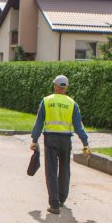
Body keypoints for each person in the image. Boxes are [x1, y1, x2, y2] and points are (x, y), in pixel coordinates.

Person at [30, 75, 91, 214]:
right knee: (65, 169)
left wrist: (34, 140)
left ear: (55, 86)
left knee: (51, 171)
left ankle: (54, 204)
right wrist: (85, 143)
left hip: (50, 139)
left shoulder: (46, 101)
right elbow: (78, 126)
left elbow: (39, 122)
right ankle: (62, 199)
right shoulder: (72, 103)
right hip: (65, 141)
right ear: (66, 87)